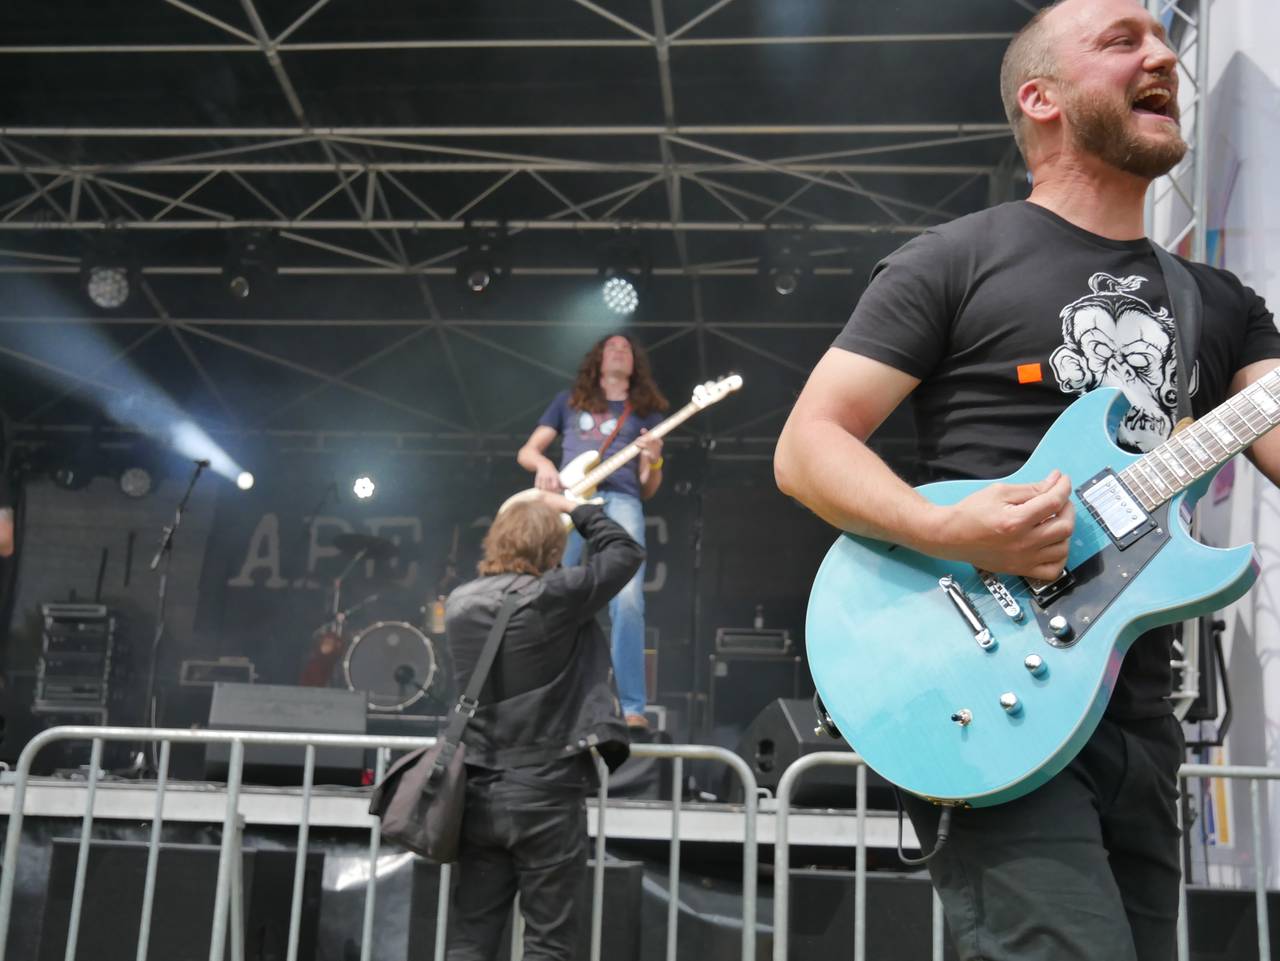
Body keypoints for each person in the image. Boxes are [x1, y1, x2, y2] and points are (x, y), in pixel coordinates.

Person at [773, 0, 1280, 958]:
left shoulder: (1218, 303)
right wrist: (947, 529)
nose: (1162, 55)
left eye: (1163, 39)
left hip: (1136, 710)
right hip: (992, 696)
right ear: (1041, 99)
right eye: (1123, 41)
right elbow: (807, 448)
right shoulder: (954, 260)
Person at [444, 491, 643, 961]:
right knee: (548, 943)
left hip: (477, 787)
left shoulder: (459, 603)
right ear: (554, 550)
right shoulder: (553, 597)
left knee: (470, 939)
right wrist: (574, 506)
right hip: (547, 789)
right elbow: (625, 551)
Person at [517, 333, 669, 728]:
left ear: (634, 364)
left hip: (621, 499)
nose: (619, 350)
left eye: (626, 348)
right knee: (550, 591)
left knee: (629, 598)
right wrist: (544, 466)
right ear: (598, 360)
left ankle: (632, 708)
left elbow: (648, 487)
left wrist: (654, 460)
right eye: (611, 347)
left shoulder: (645, 413)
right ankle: (541, 694)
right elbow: (528, 451)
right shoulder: (568, 401)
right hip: (569, 499)